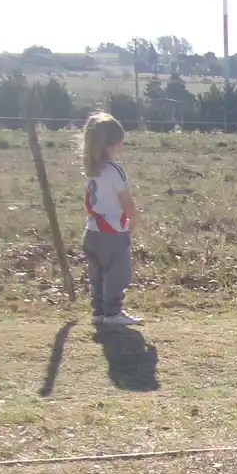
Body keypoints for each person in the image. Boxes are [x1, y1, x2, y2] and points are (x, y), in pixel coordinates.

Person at [80, 112, 140, 328]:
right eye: (119, 143)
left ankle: (99, 311)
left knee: (97, 275)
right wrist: (132, 225)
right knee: (118, 273)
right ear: (111, 144)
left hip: (92, 231)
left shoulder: (90, 169)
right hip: (112, 232)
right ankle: (113, 312)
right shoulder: (115, 170)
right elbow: (127, 203)